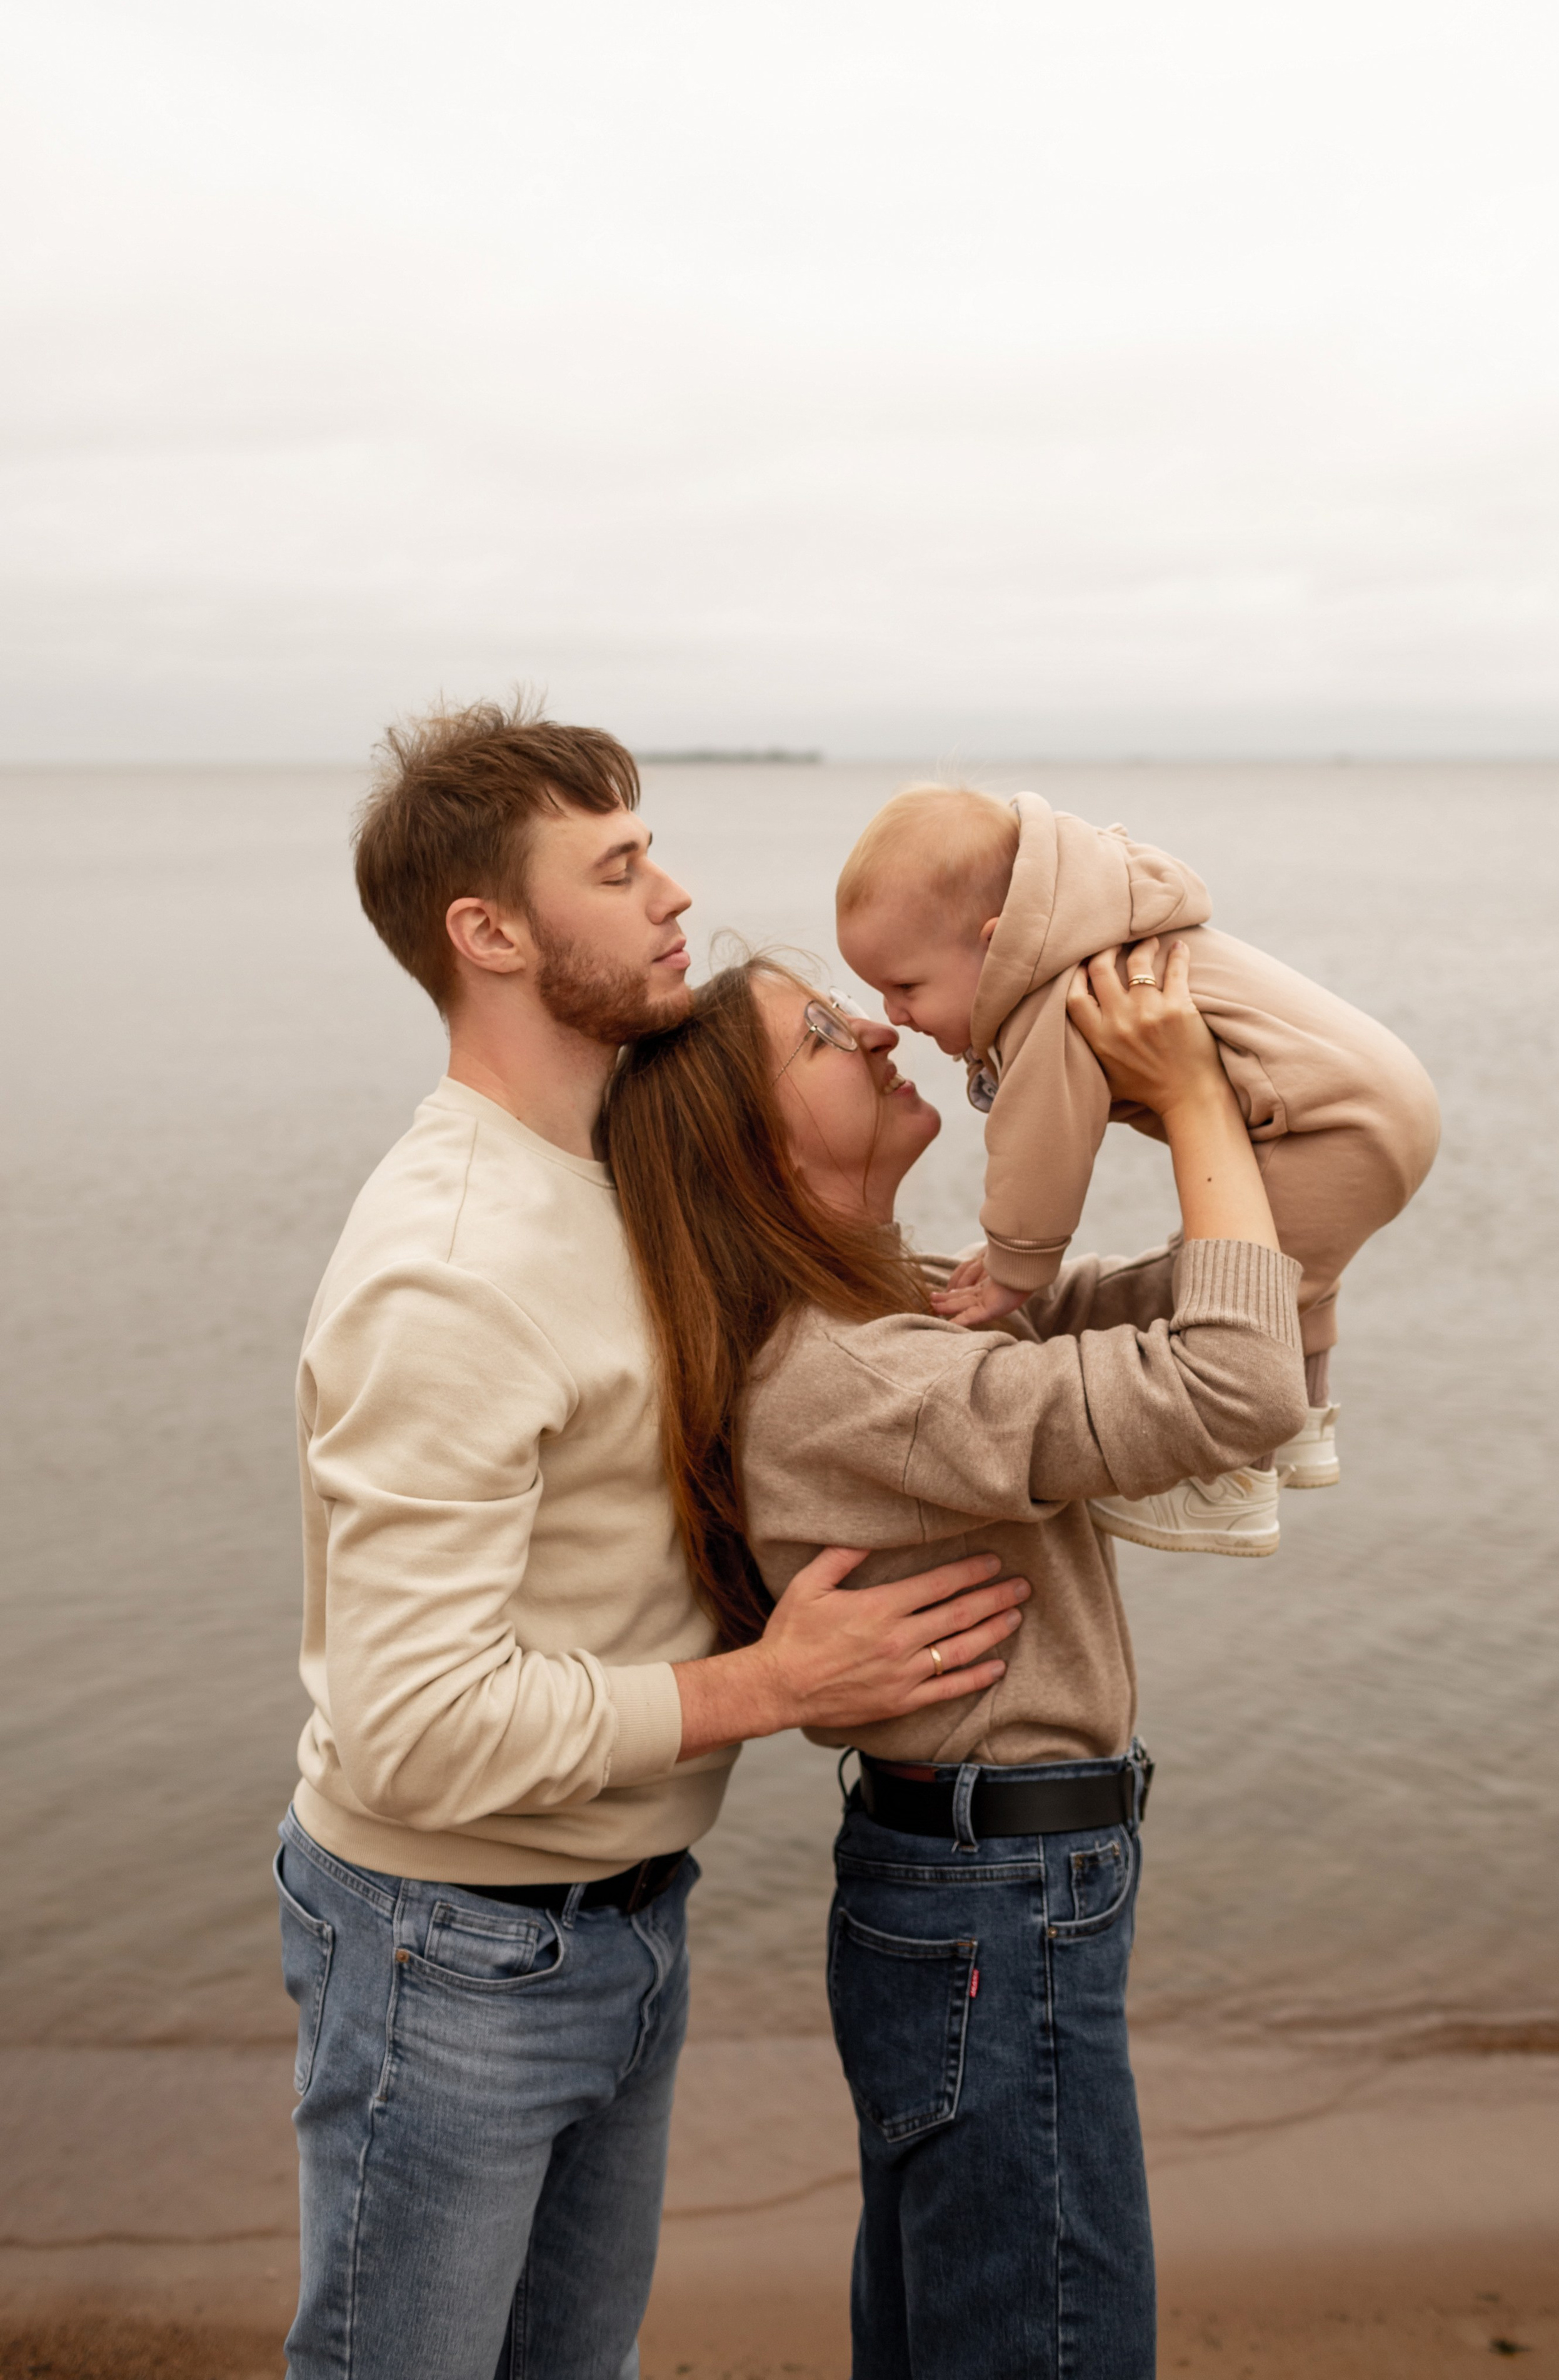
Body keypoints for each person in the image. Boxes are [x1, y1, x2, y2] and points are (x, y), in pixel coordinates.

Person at [277, 701, 1027, 2380]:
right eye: (616, 870)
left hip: (620, 1916)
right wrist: (772, 1685)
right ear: (489, 933)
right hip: (447, 1945)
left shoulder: (613, 1166)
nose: (673, 893)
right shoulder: (448, 1265)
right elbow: (409, 1724)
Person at [602, 937, 1309, 2380]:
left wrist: (1118, 1101)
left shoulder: (900, 1311)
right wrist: (1187, 1099)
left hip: (977, 1895)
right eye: (820, 1033)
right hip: (999, 1903)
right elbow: (1239, 1381)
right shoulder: (863, 1372)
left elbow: (1232, 1298)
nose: (875, 1030)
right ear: (754, 1147)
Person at [833, 786, 1440, 1554]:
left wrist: (1016, 1267)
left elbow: (1041, 1145)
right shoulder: (1101, 924)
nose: (892, 1015)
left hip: (1331, 1127)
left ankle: (1231, 1487)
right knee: (1293, 1276)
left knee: (1245, 1284)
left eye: (906, 987)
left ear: (995, 943)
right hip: (1375, 1103)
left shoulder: (1054, 994)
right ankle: (1304, 1429)